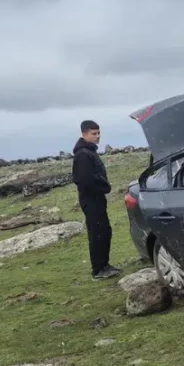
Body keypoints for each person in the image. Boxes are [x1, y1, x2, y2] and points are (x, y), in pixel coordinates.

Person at [72, 120, 121, 279]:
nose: (97, 136)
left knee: (104, 231)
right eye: (94, 133)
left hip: (97, 198)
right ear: (84, 134)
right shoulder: (82, 155)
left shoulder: (90, 152)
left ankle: (104, 264)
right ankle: (98, 269)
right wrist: (104, 186)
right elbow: (84, 179)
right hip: (91, 199)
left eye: (98, 133)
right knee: (97, 232)